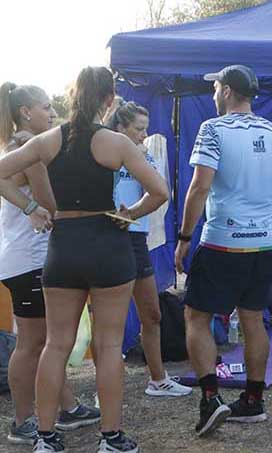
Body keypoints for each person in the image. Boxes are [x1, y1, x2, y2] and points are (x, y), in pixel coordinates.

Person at [0, 67, 169, 453]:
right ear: (109, 100)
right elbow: (160, 191)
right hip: (107, 244)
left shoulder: (47, 140)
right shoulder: (116, 142)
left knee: (55, 345)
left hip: (64, 247)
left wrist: (30, 207)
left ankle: (46, 438)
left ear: (72, 95)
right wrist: (130, 214)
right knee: (108, 347)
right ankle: (110, 438)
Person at [174, 64, 272, 437]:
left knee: (197, 317)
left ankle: (210, 398)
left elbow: (199, 187)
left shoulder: (213, 129)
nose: (213, 94)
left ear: (226, 91)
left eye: (215, 88)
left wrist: (184, 236)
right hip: (262, 243)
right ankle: (253, 401)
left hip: (222, 240)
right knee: (253, 319)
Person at [0, 82, 100, 444]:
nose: (53, 113)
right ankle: (22, 420)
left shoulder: (24, 145)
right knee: (32, 342)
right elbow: (50, 204)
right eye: (46, 107)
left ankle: (68, 407)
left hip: (29, 256)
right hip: (27, 258)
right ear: (25, 112)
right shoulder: (26, 149)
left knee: (47, 341)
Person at [107, 99, 192, 399]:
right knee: (111, 320)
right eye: (139, 129)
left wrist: (131, 213)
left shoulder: (143, 155)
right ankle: (106, 386)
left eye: (146, 128)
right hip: (109, 239)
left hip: (136, 238)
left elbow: (158, 192)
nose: (144, 135)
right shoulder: (102, 152)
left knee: (152, 313)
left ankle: (158, 379)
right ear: (120, 128)